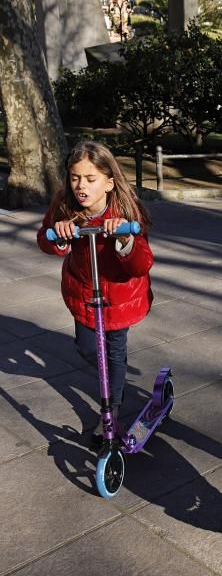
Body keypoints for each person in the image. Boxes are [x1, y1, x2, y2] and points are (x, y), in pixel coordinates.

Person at [37, 141, 154, 445]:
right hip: (84, 294)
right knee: (90, 349)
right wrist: (59, 235)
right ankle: (115, 379)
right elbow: (45, 238)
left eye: (90, 179)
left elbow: (142, 263)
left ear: (109, 182)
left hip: (120, 297)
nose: (81, 186)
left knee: (113, 355)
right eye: (75, 177)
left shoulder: (126, 210)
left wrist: (123, 237)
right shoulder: (65, 203)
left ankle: (110, 414)